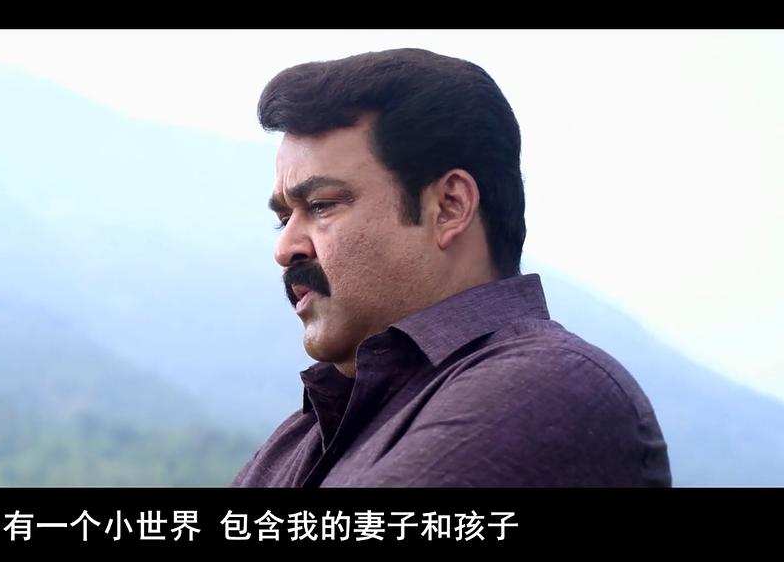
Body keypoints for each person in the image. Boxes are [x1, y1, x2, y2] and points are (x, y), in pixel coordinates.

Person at [231, 48, 671, 487]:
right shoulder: (300, 436)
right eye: (284, 219)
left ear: (450, 207)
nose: (285, 248)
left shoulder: (551, 387)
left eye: (321, 205)